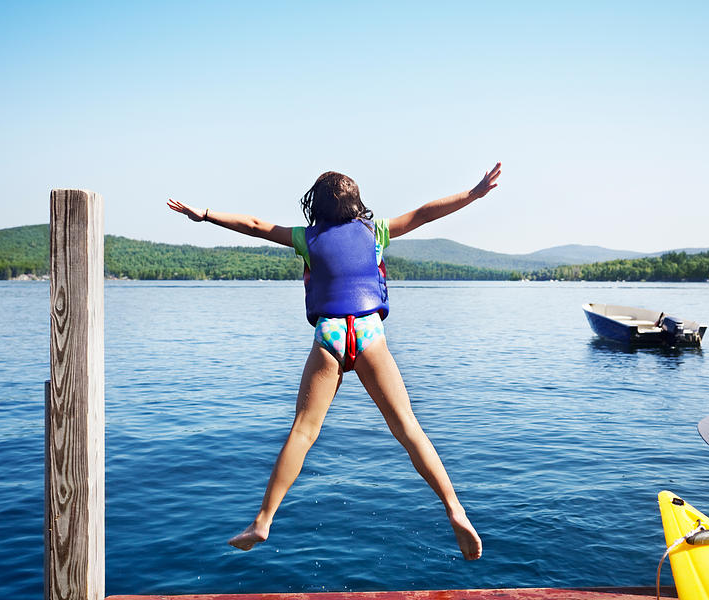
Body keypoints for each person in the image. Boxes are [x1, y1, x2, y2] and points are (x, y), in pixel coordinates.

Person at [167, 162, 501, 560]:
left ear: (316, 206)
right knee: (408, 427)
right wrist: (473, 194)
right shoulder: (376, 232)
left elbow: (254, 224)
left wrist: (204, 215)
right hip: (369, 333)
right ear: (356, 204)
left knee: (303, 433)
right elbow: (426, 213)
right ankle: (454, 509)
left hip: (330, 336)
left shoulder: (306, 238)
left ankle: (263, 520)